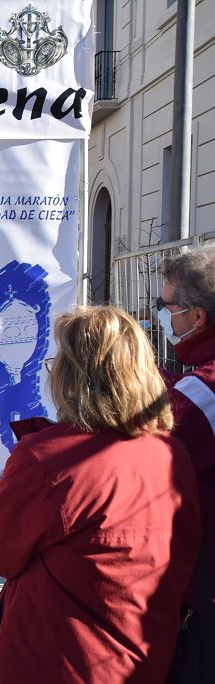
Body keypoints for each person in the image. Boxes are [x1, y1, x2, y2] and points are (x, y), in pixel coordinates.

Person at [0, 306, 200, 683]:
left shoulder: (52, 458)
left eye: (57, 361)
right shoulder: (171, 453)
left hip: (59, 658)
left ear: (73, 375)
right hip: (142, 654)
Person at [156, 245, 215, 679]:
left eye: (167, 306)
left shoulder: (202, 393)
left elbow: (142, 462)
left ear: (197, 318)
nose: (163, 317)